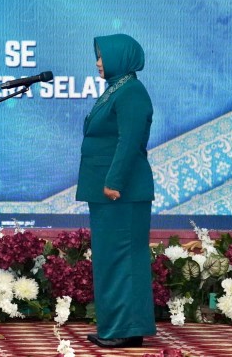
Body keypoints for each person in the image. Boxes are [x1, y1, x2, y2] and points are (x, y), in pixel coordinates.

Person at [76, 33, 156, 349]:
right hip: (107, 192)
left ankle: (126, 329)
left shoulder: (132, 92)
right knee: (111, 260)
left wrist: (114, 182)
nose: (98, 62)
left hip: (122, 192)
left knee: (123, 260)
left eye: (103, 56)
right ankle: (118, 327)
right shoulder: (117, 89)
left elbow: (129, 141)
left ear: (120, 57)